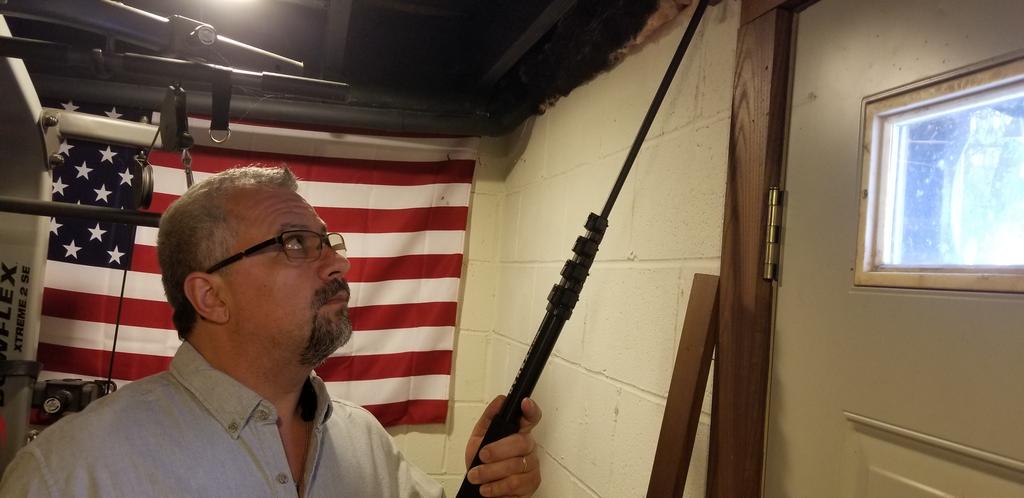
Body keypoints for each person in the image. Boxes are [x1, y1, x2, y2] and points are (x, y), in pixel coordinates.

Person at [0, 166, 542, 497]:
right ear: (211, 298)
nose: (338, 264)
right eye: (294, 243)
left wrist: (484, 485)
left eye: (326, 241)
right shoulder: (70, 474)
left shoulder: (366, 442)